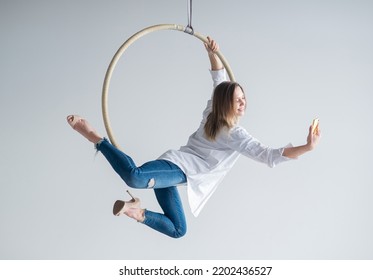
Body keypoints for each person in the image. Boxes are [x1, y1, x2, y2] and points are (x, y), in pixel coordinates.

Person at [67, 37, 321, 239]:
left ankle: (135, 210)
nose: (243, 103)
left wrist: (307, 147)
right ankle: (96, 138)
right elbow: (219, 82)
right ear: (226, 104)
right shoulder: (220, 118)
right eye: (238, 100)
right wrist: (211, 53)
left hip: (185, 176)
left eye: (244, 98)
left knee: (178, 230)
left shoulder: (235, 132)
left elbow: (270, 155)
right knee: (134, 176)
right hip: (177, 166)